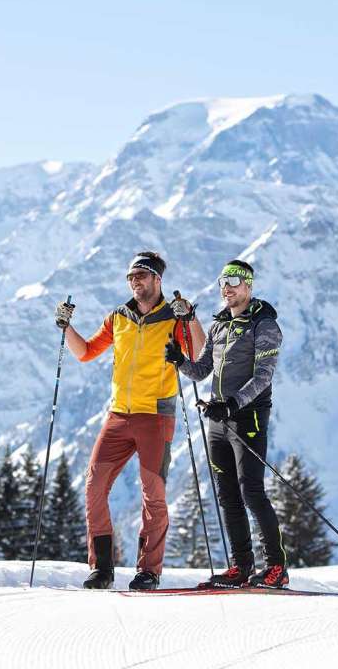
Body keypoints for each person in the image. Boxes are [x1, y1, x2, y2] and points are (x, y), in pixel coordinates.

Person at [54, 251, 204, 590]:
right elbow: (85, 352)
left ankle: (148, 571)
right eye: (131, 277)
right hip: (118, 415)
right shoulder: (118, 318)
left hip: (156, 417)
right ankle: (102, 568)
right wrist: (67, 328)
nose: (135, 281)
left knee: (153, 494)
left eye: (142, 275)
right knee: (94, 487)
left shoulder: (173, 318)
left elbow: (198, 352)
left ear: (157, 279)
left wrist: (191, 317)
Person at [164, 259, 288, 588]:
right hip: (218, 420)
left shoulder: (264, 323)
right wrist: (180, 362)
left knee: (252, 491)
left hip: (248, 418)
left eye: (234, 281)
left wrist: (233, 404)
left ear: (249, 285)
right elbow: (203, 370)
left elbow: (263, 377)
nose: (227, 287)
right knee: (227, 495)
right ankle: (241, 566)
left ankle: (277, 566)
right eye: (223, 282)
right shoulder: (219, 325)